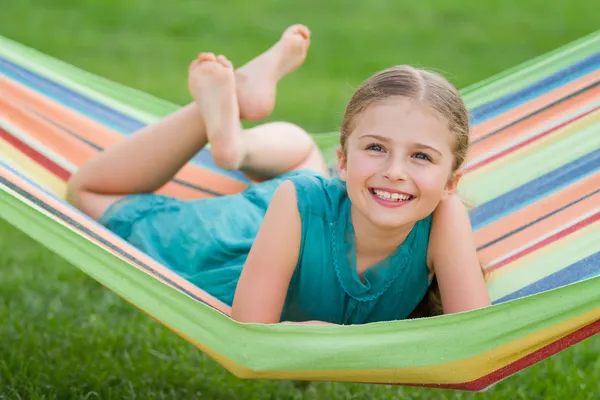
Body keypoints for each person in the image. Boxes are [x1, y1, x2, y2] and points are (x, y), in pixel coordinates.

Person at [66, 24, 491, 325]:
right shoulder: (302, 197)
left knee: (303, 156)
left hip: (305, 218)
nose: (395, 172)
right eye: (376, 148)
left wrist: (327, 340)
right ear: (342, 161)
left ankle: (238, 128)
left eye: (421, 156)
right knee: (87, 191)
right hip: (244, 239)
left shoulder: (442, 215)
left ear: (451, 182)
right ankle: (218, 127)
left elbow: (473, 340)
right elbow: (252, 331)